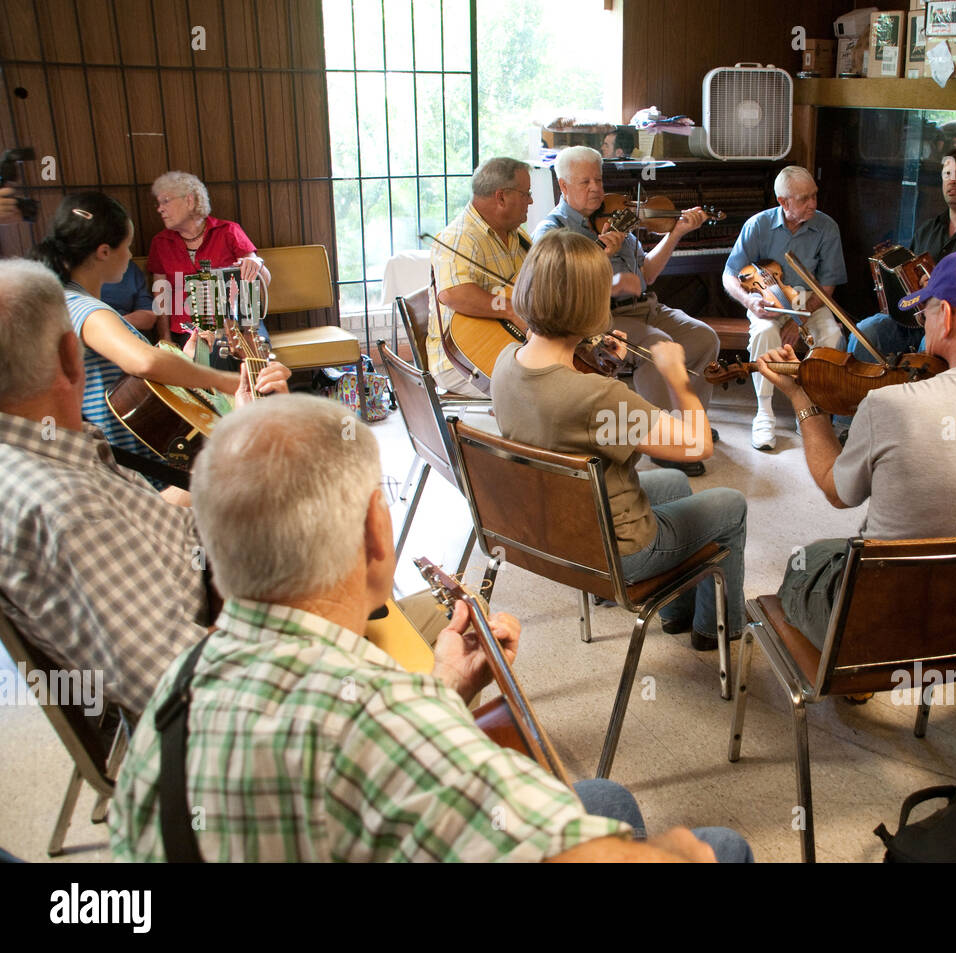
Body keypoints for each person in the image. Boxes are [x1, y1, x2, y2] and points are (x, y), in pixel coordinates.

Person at [107, 393, 751, 862]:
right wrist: (682, 853)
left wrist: (447, 682)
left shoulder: (175, 691)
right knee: (722, 844)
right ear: (375, 532)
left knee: (605, 797)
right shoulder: (387, 718)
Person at [0, 258, 289, 718]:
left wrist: (235, 438)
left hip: (206, 582)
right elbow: (190, 685)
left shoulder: (42, 453)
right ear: (70, 358)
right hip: (226, 666)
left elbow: (148, 527)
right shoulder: (65, 508)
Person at [758, 250, 956, 646]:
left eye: (924, 311)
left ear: (947, 315)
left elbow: (836, 491)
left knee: (804, 564)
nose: (922, 321)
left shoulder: (889, 405)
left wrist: (801, 400)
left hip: (883, 630)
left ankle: (851, 675)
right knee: (831, 550)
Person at [491, 229, 747, 650]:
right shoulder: (598, 398)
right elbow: (697, 447)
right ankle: (716, 632)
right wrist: (679, 382)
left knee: (675, 487)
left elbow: (575, 424)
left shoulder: (506, 362)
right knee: (731, 505)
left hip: (556, 528)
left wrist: (605, 370)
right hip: (615, 550)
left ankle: (677, 612)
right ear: (591, 304)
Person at [28, 191, 262, 464]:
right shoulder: (84, 307)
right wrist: (225, 381)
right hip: (133, 457)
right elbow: (143, 363)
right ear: (104, 252)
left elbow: (136, 380)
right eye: (127, 246)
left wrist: (182, 358)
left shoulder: (67, 299)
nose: (129, 255)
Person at [535, 146, 720, 476]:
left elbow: (646, 274)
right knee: (656, 346)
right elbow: (559, 292)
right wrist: (603, 261)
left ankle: (689, 422)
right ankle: (662, 443)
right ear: (563, 186)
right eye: (584, 182)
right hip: (597, 318)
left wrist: (675, 233)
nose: (596, 188)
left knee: (703, 337)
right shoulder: (551, 231)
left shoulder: (615, 217)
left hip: (646, 307)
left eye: (599, 179)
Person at [853, 149, 956, 361]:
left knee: (928, 348)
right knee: (866, 331)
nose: (952, 181)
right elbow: (908, 282)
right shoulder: (927, 229)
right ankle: (862, 392)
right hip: (916, 322)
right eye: (947, 174)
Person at [725, 165, 847, 451]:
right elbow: (729, 275)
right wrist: (749, 301)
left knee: (832, 337)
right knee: (764, 333)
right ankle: (764, 411)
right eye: (804, 199)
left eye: (814, 196)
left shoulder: (827, 227)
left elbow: (827, 287)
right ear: (783, 202)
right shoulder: (758, 225)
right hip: (767, 301)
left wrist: (799, 322)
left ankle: (811, 408)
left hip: (810, 302)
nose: (813, 204)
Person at [429, 156, 534, 399]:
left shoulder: (519, 237)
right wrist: (509, 310)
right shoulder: (459, 238)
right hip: (462, 360)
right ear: (501, 197)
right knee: (545, 392)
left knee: (567, 377)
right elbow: (453, 293)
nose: (530, 200)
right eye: (525, 193)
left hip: (510, 345)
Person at [147, 170, 269, 345]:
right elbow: (161, 296)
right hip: (187, 329)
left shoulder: (229, 231)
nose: (160, 209)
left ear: (189, 200)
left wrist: (257, 263)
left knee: (251, 349)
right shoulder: (160, 242)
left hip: (237, 323)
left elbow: (264, 280)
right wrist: (165, 338)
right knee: (208, 356)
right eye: (158, 203)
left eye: (166, 201)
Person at [99, 259, 157, 332]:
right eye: (125, 248)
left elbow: (148, 317)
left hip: (125, 332)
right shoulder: (82, 272)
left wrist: (115, 323)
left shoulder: (129, 268)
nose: (130, 254)